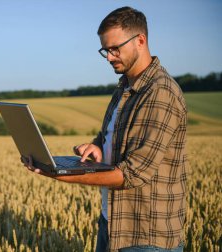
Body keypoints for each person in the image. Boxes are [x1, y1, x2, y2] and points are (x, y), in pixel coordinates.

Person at [22, 6, 188, 251]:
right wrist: (97, 146)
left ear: (140, 40)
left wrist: (59, 173)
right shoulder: (123, 88)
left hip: (146, 236)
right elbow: (109, 136)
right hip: (112, 221)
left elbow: (133, 174)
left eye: (115, 49)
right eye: (105, 50)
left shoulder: (159, 92)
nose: (109, 57)